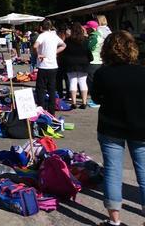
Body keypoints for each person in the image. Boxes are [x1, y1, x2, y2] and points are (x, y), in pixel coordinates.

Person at [91, 31, 145, 226]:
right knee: (144, 172)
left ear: (107, 50)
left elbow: (96, 98)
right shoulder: (142, 72)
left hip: (111, 127)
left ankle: (115, 221)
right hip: (141, 127)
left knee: (113, 172)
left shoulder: (102, 73)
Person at [33, 20, 66, 114]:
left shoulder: (42, 35)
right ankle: (52, 111)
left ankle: (41, 109)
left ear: (41, 28)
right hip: (53, 66)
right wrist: (54, 52)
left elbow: (35, 46)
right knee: (51, 88)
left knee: (40, 88)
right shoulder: (54, 36)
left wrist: (38, 54)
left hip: (43, 66)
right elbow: (64, 45)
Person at [60, 22, 92, 109]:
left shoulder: (68, 40)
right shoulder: (86, 40)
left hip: (71, 64)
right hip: (83, 63)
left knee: (72, 82)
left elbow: (64, 53)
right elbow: (88, 52)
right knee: (83, 82)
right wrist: (90, 59)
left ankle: (73, 102)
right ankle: (84, 102)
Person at [87, 20, 104, 108]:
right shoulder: (100, 35)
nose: (86, 30)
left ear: (91, 29)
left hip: (93, 61)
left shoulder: (94, 37)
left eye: (88, 28)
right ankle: (96, 99)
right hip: (98, 60)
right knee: (95, 80)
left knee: (92, 81)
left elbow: (89, 48)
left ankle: (95, 100)